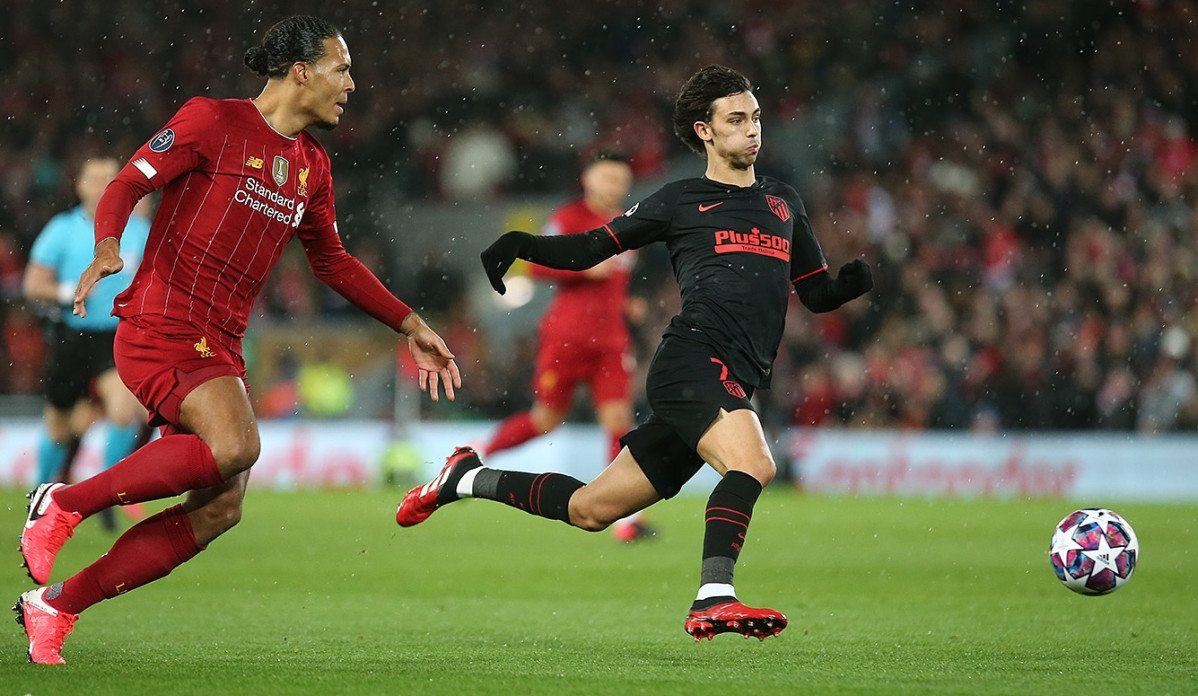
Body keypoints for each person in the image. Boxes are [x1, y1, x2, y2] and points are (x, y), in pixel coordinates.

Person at [15, 15, 461, 665]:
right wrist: (109, 246)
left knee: (221, 509)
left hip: (219, 343)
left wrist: (412, 323)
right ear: (302, 72)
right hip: (163, 322)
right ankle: (62, 501)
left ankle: (56, 604)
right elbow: (129, 181)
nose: (353, 85)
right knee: (238, 445)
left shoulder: (311, 165)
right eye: (342, 70)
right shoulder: (213, 121)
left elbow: (331, 262)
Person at [397, 65, 873, 641]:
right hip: (693, 361)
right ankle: (713, 597)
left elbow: (815, 292)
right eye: (737, 120)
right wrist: (524, 244)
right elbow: (592, 248)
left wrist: (849, 285)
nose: (753, 131)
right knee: (754, 464)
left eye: (756, 119)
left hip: (728, 376)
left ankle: (464, 478)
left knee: (591, 510)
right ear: (704, 131)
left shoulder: (783, 202)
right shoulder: (679, 200)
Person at [478, 150, 652, 542]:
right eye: (607, 178)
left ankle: (624, 519)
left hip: (610, 341)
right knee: (546, 420)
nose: (615, 187)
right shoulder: (569, 218)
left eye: (621, 181)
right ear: (588, 179)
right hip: (567, 338)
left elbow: (614, 282)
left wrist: (626, 304)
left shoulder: (629, 225)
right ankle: (479, 454)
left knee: (620, 423)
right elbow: (535, 264)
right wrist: (586, 268)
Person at [22, 157, 151, 532]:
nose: (102, 185)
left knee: (124, 411)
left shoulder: (138, 229)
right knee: (61, 426)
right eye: (95, 179)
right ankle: (39, 496)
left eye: (110, 179)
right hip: (71, 336)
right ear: (79, 185)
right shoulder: (62, 229)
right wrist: (68, 291)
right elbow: (32, 285)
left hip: (115, 336)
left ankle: (106, 497)